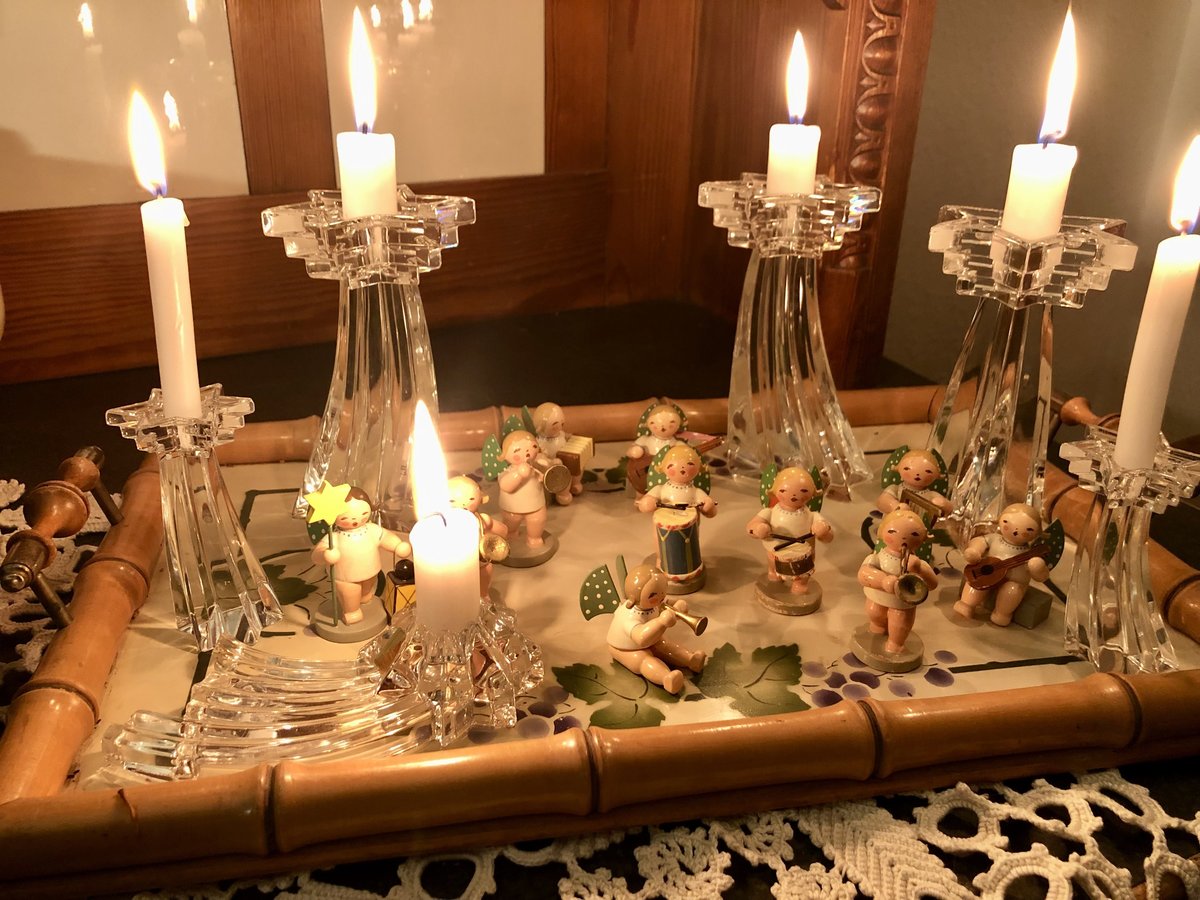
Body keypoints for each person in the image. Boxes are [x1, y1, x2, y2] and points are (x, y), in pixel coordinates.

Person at [311, 487, 410, 625]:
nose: (355, 520)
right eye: (345, 518)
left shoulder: (372, 529)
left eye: (364, 513)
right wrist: (326, 554)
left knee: (367, 588)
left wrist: (397, 545)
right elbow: (316, 556)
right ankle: (351, 611)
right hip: (346, 577)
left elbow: (385, 537)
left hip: (371, 571)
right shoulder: (334, 537)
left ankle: (364, 597)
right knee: (350, 593)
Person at [607, 563, 706, 694]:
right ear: (633, 599)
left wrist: (679, 607)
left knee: (665, 645)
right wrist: (661, 622)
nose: (661, 597)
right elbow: (641, 638)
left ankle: (690, 659)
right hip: (626, 649)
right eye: (653, 594)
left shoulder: (653, 603)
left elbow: (667, 605)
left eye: (663, 590)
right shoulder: (628, 617)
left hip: (653, 640)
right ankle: (666, 678)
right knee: (643, 659)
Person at [955, 502, 1050, 626]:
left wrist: (1037, 567)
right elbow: (980, 541)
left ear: (1037, 532)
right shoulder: (994, 539)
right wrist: (975, 550)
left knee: (1012, 591)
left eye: (1028, 529)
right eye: (1007, 523)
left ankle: (1002, 614)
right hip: (988, 576)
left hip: (1014, 582)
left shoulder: (1028, 554)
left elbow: (1042, 577)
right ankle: (966, 604)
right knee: (977, 582)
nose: (1016, 531)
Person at [857, 508, 938, 655]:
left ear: (923, 538)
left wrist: (919, 569)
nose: (904, 538)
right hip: (877, 598)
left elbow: (933, 584)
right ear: (881, 532)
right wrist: (882, 580)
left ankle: (895, 644)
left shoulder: (917, 563)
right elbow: (863, 574)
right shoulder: (878, 558)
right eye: (892, 531)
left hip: (902, 605)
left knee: (899, 624)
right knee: (875, 613)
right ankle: (877, 627)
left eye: (914, 534)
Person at [746, 467, 832, 595]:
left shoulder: (812, 516)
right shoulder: (769, 512)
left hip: (803, 556)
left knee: (802, 574)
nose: (794, 495)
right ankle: (773, 572)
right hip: (774, 553)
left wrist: (823, 530)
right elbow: (750, 527)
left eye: (803, 491)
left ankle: (800, 584)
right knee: (773, 567)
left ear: (812, 493)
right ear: (775, 490)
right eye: (783, 490)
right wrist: (758, 528)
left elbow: (829, 538)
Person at [495, 430, 548, 548]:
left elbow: (547, 477)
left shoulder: (536, 468)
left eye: (533, 447)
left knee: (537, 520)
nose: (527, 453)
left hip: (536, 505)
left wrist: (545, 470)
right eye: (518, 450)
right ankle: (511, 533)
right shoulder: (507, 472)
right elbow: (505, 486)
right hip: (512, 507)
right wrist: (519, 475)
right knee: (511, 522)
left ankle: (534, 538)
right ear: (505, 455)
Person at [636, 445, 716, 517]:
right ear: (664, 468)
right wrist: (647, 503)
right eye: (672, 465)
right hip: (664, 524)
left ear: (698, 468)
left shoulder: (696, 492)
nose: (682, 469)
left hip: (690, 525)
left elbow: (711, 513)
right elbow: (643, 505)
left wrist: (708, 506)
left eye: (690, 464)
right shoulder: (660, 489)